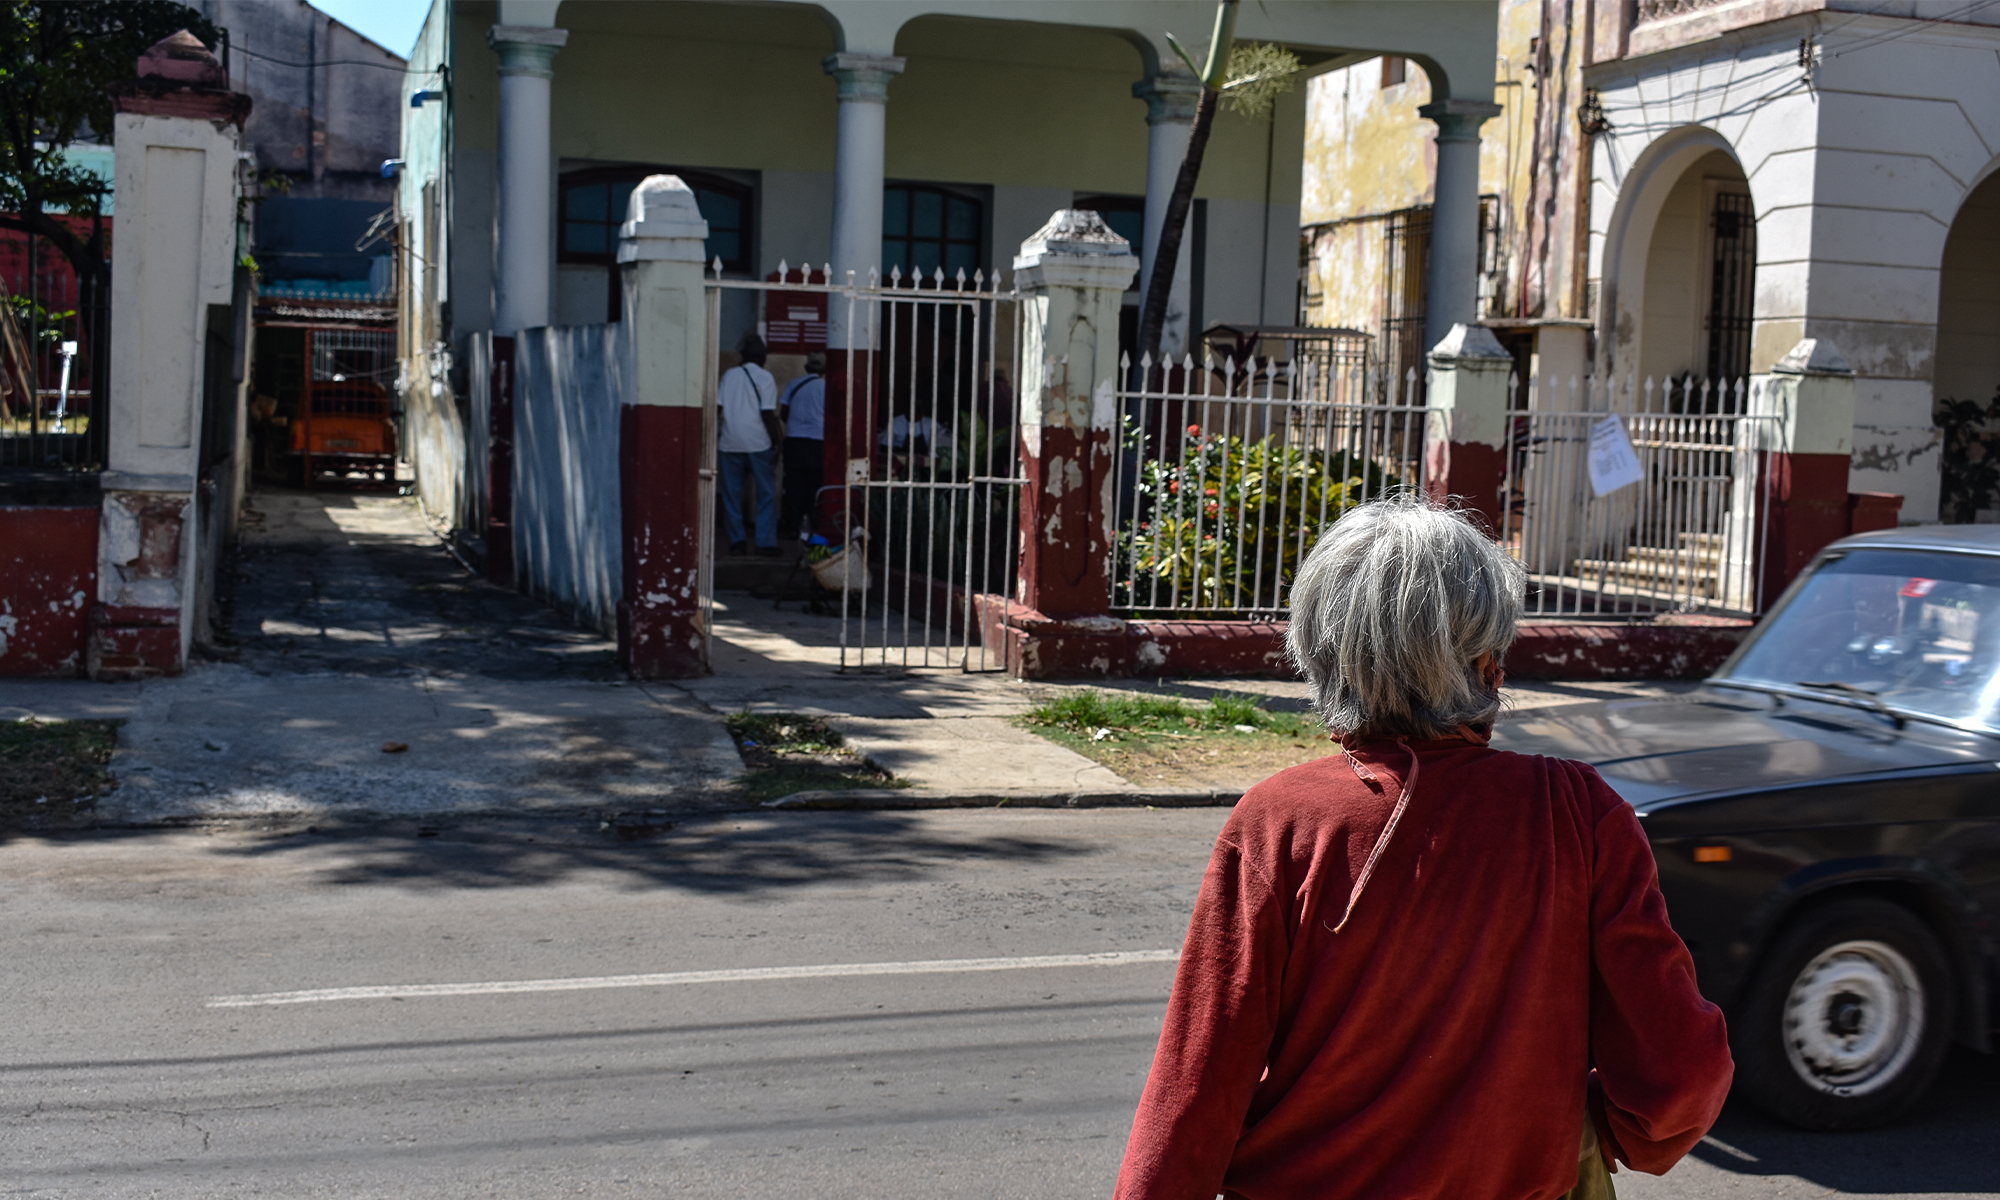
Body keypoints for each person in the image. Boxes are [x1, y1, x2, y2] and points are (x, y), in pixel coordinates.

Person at [1114, 494, 1732, 1200]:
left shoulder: (1278, 822)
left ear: (1321, 657)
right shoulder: (1578, 814)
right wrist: (1592, 1126)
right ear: (1487, 665)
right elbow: (1680, 1074)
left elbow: (1194, 1089)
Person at [717, 332, 783, 556]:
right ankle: (764, 543)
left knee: (731, 496)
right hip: (758, 443)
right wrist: (777, 443)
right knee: (765, 495)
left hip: (730, 443)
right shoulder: (766, 378)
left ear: (743, 356)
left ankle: (737, 542)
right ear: (763, 358)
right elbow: (767, 415)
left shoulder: (729, 375)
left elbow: (718, 408)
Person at [778, 350, 827, 539]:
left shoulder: (793, 384)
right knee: (815, 487)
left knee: (794, 487)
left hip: (795, 442)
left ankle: (792, 527)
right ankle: (815, 526)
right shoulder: (827, 387)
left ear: (807, 367)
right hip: (818, 442)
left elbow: (783, 414)